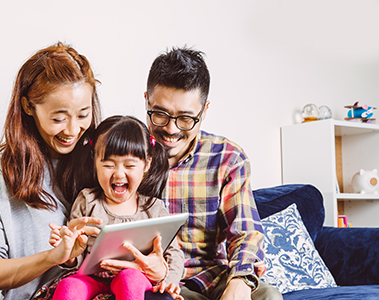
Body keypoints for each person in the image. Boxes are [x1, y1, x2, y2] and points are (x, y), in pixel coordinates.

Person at [142, 47, 283, 300]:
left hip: (214, 276)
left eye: (186, 119)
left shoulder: (228, 158)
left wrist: (241, 279)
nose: (171, 129)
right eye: (160, 114)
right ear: (146, 101)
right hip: (157, 281)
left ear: (204, 111)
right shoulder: (125, 156)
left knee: (267, 296)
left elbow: (245, 232)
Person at [0, 42, 104, 300]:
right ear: (29, 107)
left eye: (83, 115)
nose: (73, 130)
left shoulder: (99, 159)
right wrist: (53, 257)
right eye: (58, 118)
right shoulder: (3, 167)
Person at [49, 115, 185, 300]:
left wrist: (170, 281)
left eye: (129, 165)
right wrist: (69, 253)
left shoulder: (154, 209)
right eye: (108, 165)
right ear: (95, 163)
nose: (119, 173)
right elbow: (76, 260)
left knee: (130, 279)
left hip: (137, 277)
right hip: (91, 278)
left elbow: (174, 254)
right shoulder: (87, 201)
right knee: (69, 286)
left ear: (147, 164)